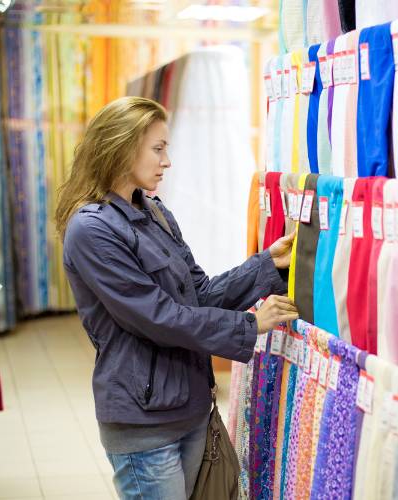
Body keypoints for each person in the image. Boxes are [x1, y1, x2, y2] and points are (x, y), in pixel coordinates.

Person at [55, 96, 298, 499]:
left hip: (190, 409)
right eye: (158, 148)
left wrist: (267, 265)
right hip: (143, 424)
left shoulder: (154, 212)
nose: (166, 161)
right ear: (121, 146)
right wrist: (250, 325)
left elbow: (199, 294)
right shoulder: (91, 230)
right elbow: (157, 316)